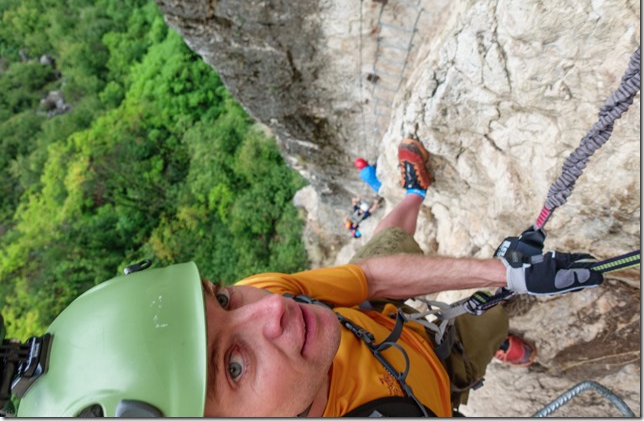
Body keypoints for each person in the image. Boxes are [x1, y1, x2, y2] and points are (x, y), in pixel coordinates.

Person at [9, 139, 605, 417]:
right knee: (482, 326)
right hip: (434, 380)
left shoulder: (264, 296)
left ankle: (416, 193)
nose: (266, 310)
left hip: (405, 338)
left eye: (219, 296)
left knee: (398, 244)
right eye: (233, 366)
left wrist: (507, 271)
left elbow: (369, 278)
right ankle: (488, 346)